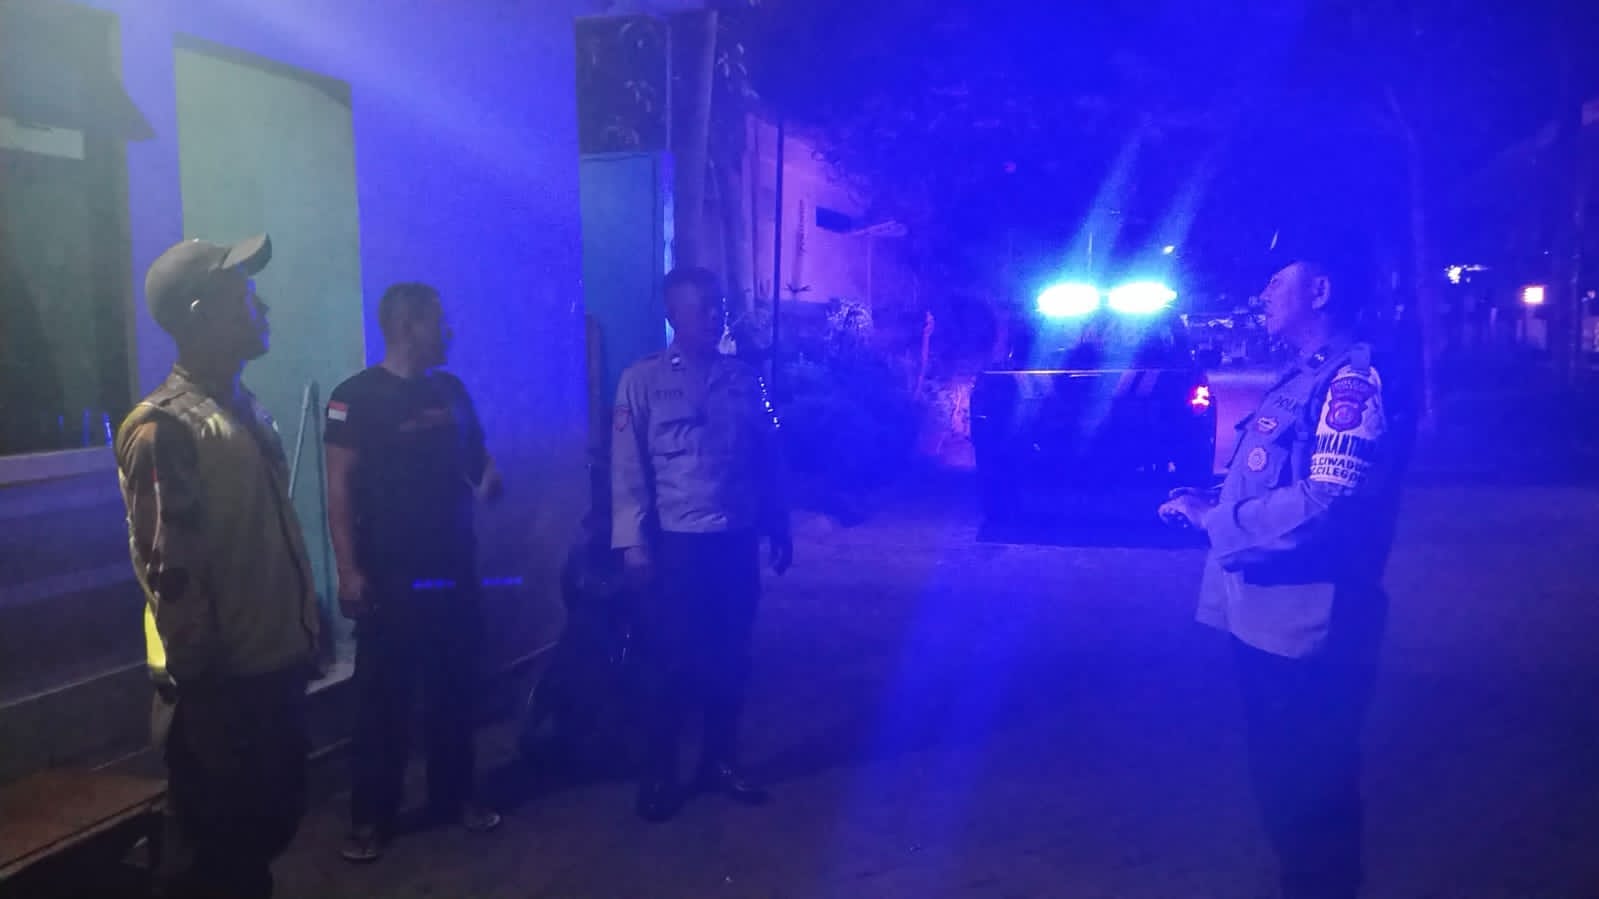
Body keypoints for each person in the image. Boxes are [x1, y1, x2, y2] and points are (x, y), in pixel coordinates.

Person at [1159, 253, 1414, 899]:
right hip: (1268, 624)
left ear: (1320, 289)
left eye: (1277, 281)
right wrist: (1212, 498)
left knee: (1309, 804)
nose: (1264, 293)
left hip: (1309, 632)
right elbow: (1279, 475)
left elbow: (1327, 503)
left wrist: (1217, 520)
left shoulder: (1353, 379)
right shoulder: (1304, 375)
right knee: (1284, 794)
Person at [114, 234, 320, 899]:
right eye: (245, 296)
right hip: (224, 696)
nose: (262, 307)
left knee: (261, 838)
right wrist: (208, 703)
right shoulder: (165, 429)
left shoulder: (241, 407)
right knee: (216, 862)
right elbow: (172, 575)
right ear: (202, 313)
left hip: (271, 672)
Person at [325, 282, 504, 863]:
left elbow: (478, 456)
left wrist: (489, 479)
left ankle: (456, 797)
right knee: (384, 703)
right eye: (438, 322)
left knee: (455, 689)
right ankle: (371, 819)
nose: (448, 332)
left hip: (452, 568)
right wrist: (348, 570)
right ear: (409, 327)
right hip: (389, 575)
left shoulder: (451, 391)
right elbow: (338, 490)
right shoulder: (354, 398)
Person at [612, 266, 793, 822]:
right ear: (673, 315)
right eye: (702, 308)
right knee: (669, 663)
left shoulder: (746, 379)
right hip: (678, 546)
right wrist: (632, 544)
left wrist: (779, 522)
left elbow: (768, 454)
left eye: (719, 307)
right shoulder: (641, 381)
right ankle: (660, 773)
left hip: (734, 540)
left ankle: (720, 761)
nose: (715, 317)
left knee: (731, 657)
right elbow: (627, 470)